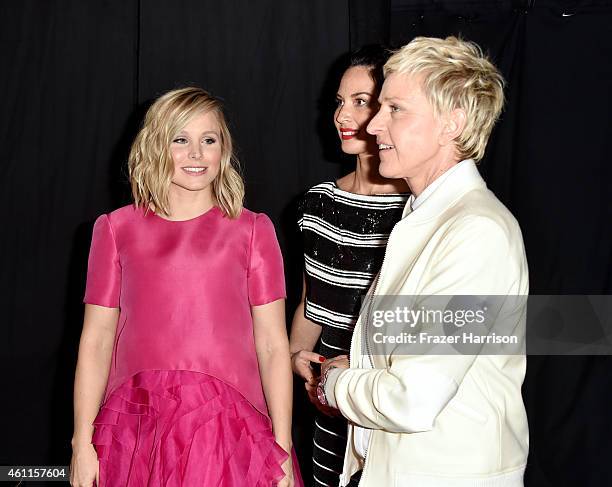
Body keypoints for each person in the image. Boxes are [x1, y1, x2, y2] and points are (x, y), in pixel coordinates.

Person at [317, 36, 529, 486]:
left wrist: (336, 385)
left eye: (395, 109)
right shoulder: (426, 216)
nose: (373, 126)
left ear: (453, 121)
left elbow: (414, 397)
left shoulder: (476, 231)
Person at [70, 87, 301, 487]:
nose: (196, 153)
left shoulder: (252, 230)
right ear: (157, 147)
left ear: (223, 150)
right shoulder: (115, 229)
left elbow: (272, 344)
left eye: (208, 140)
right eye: (181, 140)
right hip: (135, 429)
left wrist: (280, 446)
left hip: (229, 432)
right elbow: (96, 339)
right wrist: (81, 442)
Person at [289, 46, 409, 487]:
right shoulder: (316, 202)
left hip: (386, 409)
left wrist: (356, 377)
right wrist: (292, 362)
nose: (344, 114)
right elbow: (310, 304)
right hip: (326, 410)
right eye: (340, 101)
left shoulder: (417, 209)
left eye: (362, 101)